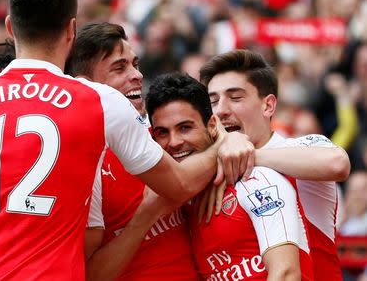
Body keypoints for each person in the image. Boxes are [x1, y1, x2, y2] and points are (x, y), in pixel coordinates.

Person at [0, 0, 253, 280]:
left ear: (11, 28)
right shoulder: (99, 101)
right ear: (71, 30)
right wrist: (226, 141)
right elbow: (178, 186)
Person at [199, 49, 350, 280]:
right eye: (213, 101)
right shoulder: (211, 166)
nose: (221, 110)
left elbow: (338, 164)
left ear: (268, 106)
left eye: (236, 97)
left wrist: (250, 155)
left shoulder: (301, 147)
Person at [146, 72, 312, 280]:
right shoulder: (183, 201)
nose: (174, 142)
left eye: (185, 128)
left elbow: (286, 273)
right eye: (163, 132)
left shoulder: (257, 179)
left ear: (212, 125)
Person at [67, 22, 201, 280]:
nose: (137, 75)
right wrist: (144, 218)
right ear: (88, 86)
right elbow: (91, 275)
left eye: (135, 64)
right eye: (120, 67)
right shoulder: (80, 159)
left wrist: (230, 142)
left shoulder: (161, 133)